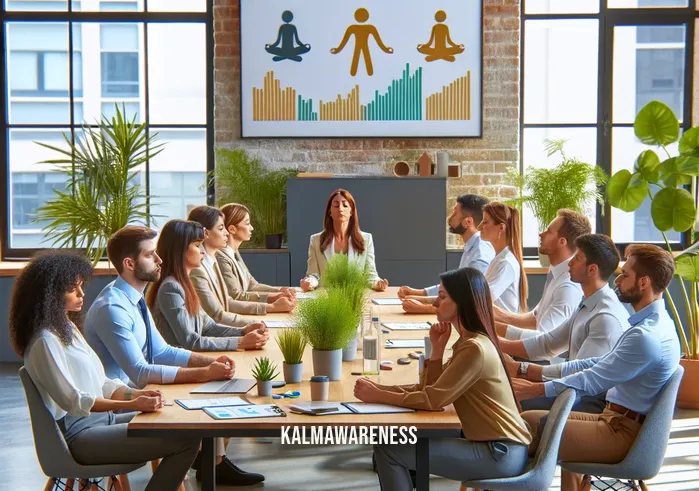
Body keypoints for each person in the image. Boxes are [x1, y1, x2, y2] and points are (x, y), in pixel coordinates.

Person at [84, 226, 265, 486]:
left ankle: (215, 463)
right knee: (196, 418)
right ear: (129, 263)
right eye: (150, 255)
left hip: (140, 392)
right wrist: (204, 372)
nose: (159, 260)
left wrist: (210, 362)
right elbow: (140, 372)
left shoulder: (133, 298)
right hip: (119, 401)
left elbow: (162, 351)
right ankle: (213, 465)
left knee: (217, 392)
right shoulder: (113, 308)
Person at [11, 251, 200, 491]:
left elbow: (103, 384)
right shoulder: (44, 342)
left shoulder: (66, 328)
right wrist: (132, 406)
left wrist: (136, 396)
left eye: (81, 286)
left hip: (103, 422)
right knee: (186, 440)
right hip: (80, 436)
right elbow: (75, 401)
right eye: (73, 288)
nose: (82, 293)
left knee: (181, 421)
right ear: (50, 293)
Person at [511, 244, 680, 491]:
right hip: (613, 420)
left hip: (622, 434)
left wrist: (534, 390)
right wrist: (529, 372)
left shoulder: (646, 336)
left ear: (643, 283)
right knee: (527, 421)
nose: (618, 279)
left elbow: (592, 379)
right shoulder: (654, 324)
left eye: (625, 275)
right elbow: (597, 363)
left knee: (522, 432)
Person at [354, 268, 531, 489]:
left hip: (498, 454)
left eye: (442, 297)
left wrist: (379, 395)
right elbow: (431, 389)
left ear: (462, 303)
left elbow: (433, 400)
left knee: (389, 449)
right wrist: (437, 353)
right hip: (498, 449)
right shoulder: (469, 343)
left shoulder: (474, 349)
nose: (435, 303)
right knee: (393, 444)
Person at [501, 234, 630, 413]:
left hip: (584, 401)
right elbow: (549, 343)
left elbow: (580, 377)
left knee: (501, 398)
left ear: (592, 269)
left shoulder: (605, 318)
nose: (569, 263)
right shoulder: (589, 302)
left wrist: (522, 370)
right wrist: (499, 344)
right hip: (569, 389)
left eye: (577, 258)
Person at [147, 219, 270, 352]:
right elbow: (190, 341)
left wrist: (244, 331)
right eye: (197, 245)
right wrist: (240, 342)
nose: (203, 251)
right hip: (180, 368)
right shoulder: (170, 288)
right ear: (180, 250)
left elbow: (208, 327)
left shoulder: (184, 283)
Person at [497, 209, 590, 339]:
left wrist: (490, 326)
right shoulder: (556, 273)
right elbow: (534, 318)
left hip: (547, 358)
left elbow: (541, 338)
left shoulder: (568, 287)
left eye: (549, 231)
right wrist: (489, 312)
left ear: (561, 242)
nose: (541, 234)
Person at [188, 205, 294, 317]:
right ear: (206, 233)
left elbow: (249, 286)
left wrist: (278, 293)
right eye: (247, 223)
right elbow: (230, 300)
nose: (226, 233)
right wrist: (272, 305)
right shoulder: (214, 260)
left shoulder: (227, 255)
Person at [397, 194, 495, 314]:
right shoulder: (472, 246)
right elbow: (455, 290)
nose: (450, 218)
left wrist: (422, 307)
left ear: (467, 222)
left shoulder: (480, 255)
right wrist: (418, 294)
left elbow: (468, 301)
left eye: (455, 213)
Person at [300, 188, 388, 292]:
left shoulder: (366, 239)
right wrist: (309, 282)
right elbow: (314, 275)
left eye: (345, 205)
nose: (340, 209)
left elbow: (370, 274)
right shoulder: (316, 240)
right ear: (330, 211)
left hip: (354, 298)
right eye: (336, 205)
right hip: (326, 298)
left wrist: (378, 283)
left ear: (351, 211)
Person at [216, 203, 296, 314]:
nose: (251, 228)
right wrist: (273, 300)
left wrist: (279, 291)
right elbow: (236, 295)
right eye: (247, 223)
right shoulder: (221, 258)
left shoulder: (234, 253)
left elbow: (252, 285)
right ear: (232, 229)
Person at [478, 201, 528, 313]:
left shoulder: (506, 263)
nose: (479, 226)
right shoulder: (498, 258)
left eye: (485, 222)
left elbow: (481, 299)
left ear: (501, 228)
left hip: (502, 328)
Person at [330, 8, 393, 76]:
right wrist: (386, 49)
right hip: (364, 46)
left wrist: (337, 50)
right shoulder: (369, 27)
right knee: (364, 55)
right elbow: (378, 41)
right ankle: (367, 73)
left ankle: (357, 73)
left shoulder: (353, 27)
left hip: (358, 46)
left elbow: (344, 41)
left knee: (358, 56)